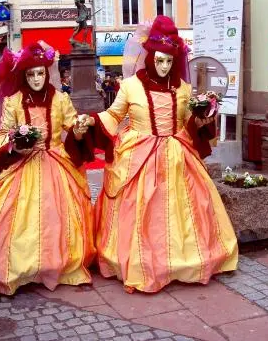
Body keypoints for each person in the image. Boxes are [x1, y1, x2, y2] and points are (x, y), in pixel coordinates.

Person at [79, 16, 238, 293]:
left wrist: (202, 120)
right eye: (159, 60)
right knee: (139, 209)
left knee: (188, 206)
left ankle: (182, 259)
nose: (164, 66)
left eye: (169, 60)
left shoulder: (184, 88)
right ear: (150, 56)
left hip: (177, 155)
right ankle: (140, 259)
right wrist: (92, 121)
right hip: (139, 155)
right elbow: (114, 115)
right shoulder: (131, 86)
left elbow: (188, 123)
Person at [0, 42, 96, 295]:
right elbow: (2, 135)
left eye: (41, 72)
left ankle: (55, 262)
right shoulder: (14, 101)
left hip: (55, 162)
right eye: (31, 74)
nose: (37, 78)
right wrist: (16, 144)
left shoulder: (60, 99)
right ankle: (20, 265)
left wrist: (80, 129)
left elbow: (71, 125)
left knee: (56, 215)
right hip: (23, 165)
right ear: (24, 75)